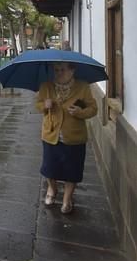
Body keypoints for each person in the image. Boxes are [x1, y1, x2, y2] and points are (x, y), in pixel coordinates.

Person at [36, 62, 97, 214]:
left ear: (72, 70)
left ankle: (67, 199)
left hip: (74, 136)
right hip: (51, 134)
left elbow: (93, 109)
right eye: (56, 70)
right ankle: (52, 188)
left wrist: (79, 112)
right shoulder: (47, 86)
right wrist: (44, 105)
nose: (59, 73)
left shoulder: (83, 87)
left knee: (72, 170)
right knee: (49, 167)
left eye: (63, 70)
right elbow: (37, 104)